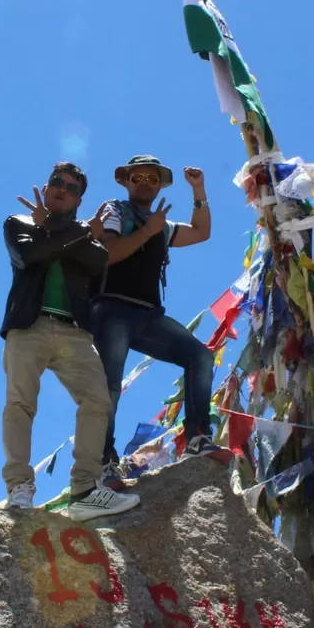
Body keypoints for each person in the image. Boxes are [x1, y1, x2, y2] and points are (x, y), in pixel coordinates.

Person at [0, 163, 142, 521]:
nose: (62, 189)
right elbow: (30, 255)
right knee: (20, 404)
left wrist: (63, 230)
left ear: (80, 198)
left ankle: (84, 490)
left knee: (98, 400)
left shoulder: (88, 238)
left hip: (74, 332)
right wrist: (68, 230)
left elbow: (96, 261)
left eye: (72, 187)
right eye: (56, 183)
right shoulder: (18, 223)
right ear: (46, 188)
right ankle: (19, 487)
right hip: (27, 327)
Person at [90, 155, 219, 483]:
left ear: (160, 184)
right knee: (109, 385)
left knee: (200, 356)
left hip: (148, 315)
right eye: (138, 177)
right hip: (112, 310)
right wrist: (148, 230)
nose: (145, 183)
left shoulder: (162, 227)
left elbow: (202, 232)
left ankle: (198, 438)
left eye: (152, 178)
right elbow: (108, 252)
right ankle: (102, 462)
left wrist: (199, 190)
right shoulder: (115, 211)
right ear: (126, 181)